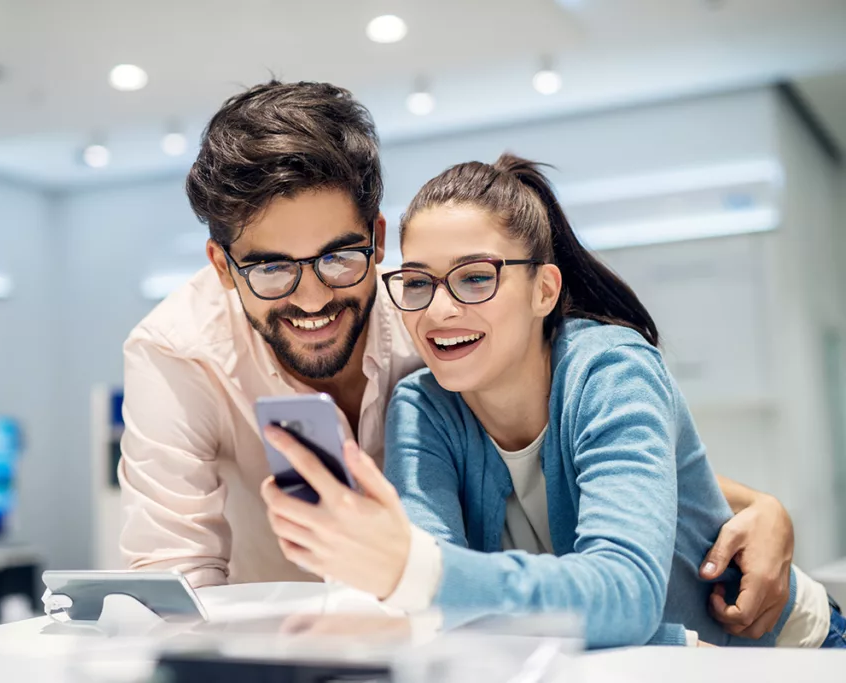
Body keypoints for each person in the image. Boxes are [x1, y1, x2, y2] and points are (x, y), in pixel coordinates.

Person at [119, 79, 797, 639]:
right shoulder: (185, 354)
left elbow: (602, 462)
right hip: (297, 635)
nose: (314, 296)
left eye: (339, 256)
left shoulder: (429, 318)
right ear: (223, 267)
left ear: (375, 242)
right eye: (271, 268)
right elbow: (171, 581)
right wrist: (417, 583)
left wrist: (758, 503)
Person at [259, 153, 846, 648]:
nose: (438, 310)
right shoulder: (421, 405)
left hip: (784, 654)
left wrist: (417, 573)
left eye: (475, 277)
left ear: (543, 290)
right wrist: (408, 588)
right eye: (417, 282)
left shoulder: (611, 371)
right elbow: (440, 615)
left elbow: (626, 595)